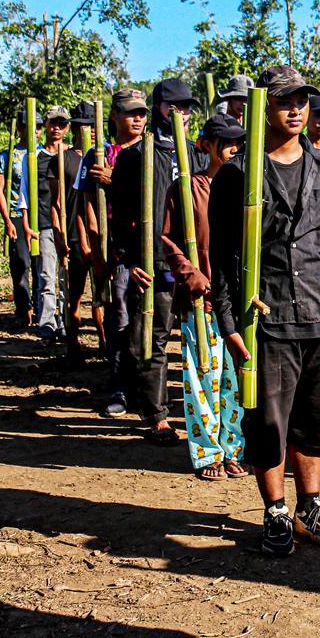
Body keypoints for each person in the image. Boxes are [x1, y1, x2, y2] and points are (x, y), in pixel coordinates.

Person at [210, 65, 320, 556]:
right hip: (265, 315)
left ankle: (309, 505)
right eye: (284, 100)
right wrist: (228, 322)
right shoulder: (237, 174)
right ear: (262, 107)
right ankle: (274, 511)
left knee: (316, 419)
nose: (295, 109)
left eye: (302, 100)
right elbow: (223, 256)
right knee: (268, 421)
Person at [109, 79, 206, 443]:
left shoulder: (198, 154)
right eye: (176, 107)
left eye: (188, 108)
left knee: (200, 341)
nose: (183, 114)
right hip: (155, 265)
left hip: (193, 264)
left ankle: (202, 414)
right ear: (161, 108)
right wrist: (129, 260)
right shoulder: (137, 156)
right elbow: (118, 215)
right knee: (153, 340)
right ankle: (157, 415)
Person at [161, 114, 248, 481]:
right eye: (226, 142)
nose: (234, 148)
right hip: (202, 299)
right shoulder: (185, 188)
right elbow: (167, 239)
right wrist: (189, 274)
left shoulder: (248, 185)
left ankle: (233, 448)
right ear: (206, 145)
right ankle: (207, 452)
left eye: (238, 142)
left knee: (235, 377)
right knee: (202, 377)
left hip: (239, 299)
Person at [79, 90, 148, 417]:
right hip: (117, 250)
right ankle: (120, 385)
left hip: (148, 247)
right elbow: (88, 205)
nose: (138, 119)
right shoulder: (98, 155)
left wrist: (115, 178)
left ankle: (147, 386)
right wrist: (96, 252)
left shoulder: (153, 151)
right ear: (114, 116)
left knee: (147, 320)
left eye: (142, 113)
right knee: (119, 316)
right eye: (131, 113)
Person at [0, 108, 42, 328]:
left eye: (40, 127)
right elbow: (0, 190)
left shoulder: (44, 153)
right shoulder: (8, 156)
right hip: (16, 214)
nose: (36, 131)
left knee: (40, 263)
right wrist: (7, 220)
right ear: (21, 128)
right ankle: (24, 309)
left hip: (40, 215)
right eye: (32, 127)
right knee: (21, 262)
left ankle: (42, 310)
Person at [50, 104, 91, 359]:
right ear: (75, 128)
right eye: (85, 125)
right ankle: (73, 344)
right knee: (75, 293)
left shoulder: (103, 156)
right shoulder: (63, 159)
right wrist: (57, 234)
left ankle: (105, 343)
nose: (90, 131)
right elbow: (55, 203)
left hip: (99, 232)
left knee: (103, 296)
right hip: (74, 233)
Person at [35, 106, 70, 345]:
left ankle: (66, 322)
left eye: (62, 123)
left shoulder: (72, 156)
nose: (57, 127)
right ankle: (48, 323)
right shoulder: (36, 157)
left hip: (69, 224)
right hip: (46, 222)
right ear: (46, 125)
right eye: (53, 123)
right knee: (47, 276)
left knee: (65, 276)